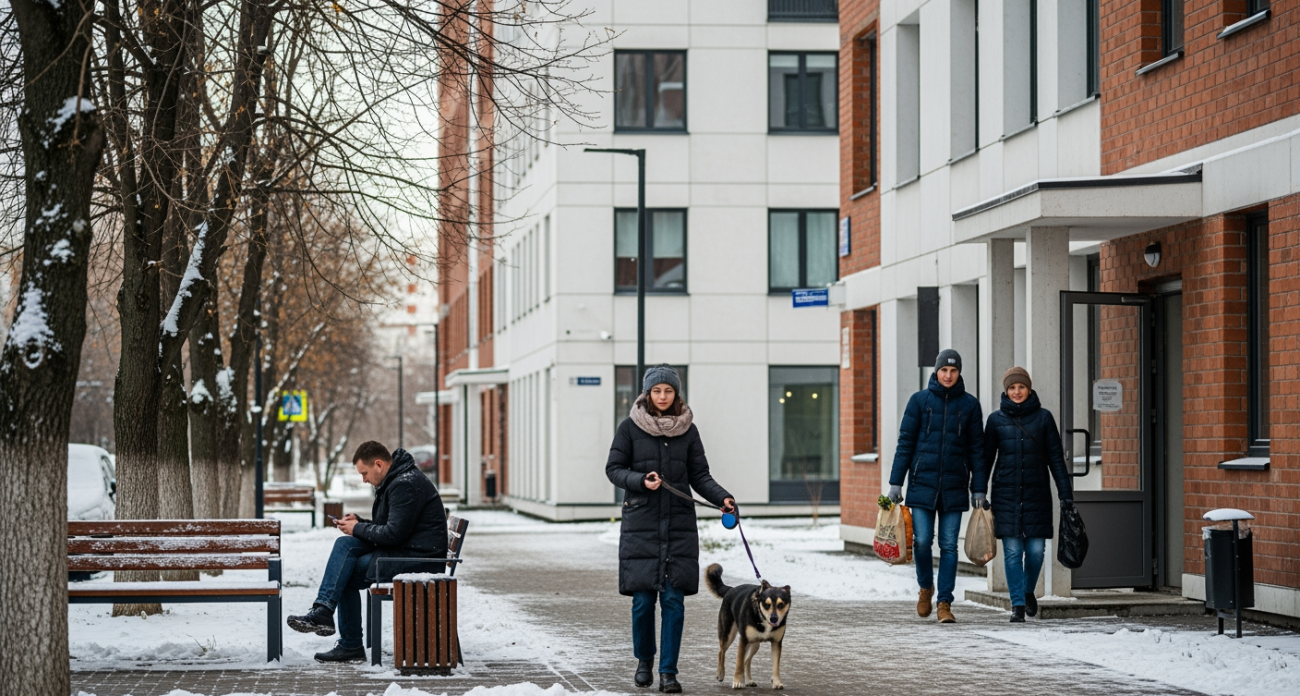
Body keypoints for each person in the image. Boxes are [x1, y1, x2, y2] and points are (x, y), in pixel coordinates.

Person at [607, 364, 735, 693]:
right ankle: (644, 661)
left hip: (678, 525)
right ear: (647, 394)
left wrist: (723, 498)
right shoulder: (629, 429)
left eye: (668, 391)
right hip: (642, 526)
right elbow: (614, 469)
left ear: (676, 394)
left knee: (674, 603)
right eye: (656, 391)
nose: (662, 396)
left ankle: (668, 672)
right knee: (642, 603)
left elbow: (700, 476)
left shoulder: (688, 431)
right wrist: (640, 481)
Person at [287, 441, 448, 661]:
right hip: (406, 550)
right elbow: (393, 527)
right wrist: (359, 523)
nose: (364, 480)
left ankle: (348, 641)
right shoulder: (397, 480)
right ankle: (323, 610)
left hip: (418, 559)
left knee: (346, 574)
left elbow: (393, 535)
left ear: (379, 464)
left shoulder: (404, 485)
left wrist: (358, 528)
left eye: (364, 473)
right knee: (344, 545)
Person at [888, 349, 986, 624]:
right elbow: (905, 443)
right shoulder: (919, 401)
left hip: (954, 485)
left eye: (953, 371)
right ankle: (925, 588)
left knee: (949, 546)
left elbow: (977, 449)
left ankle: (944, 602)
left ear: (959, 373)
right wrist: (896, 482)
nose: (948, 375)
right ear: (936, 371)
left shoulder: (969, 405)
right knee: (921, 542)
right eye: (944, 370)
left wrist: (979, 487)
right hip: (922, 484)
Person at [982, 367, 1074, 622]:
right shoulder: (995, 421)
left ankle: (1027, 589)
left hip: (1037, 494)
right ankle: (1017, 606)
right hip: (1006, 494)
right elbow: (986, 460)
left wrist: (1065, 493)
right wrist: (978, 490)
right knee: (1012, 552)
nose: (1016, 392)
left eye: (1021, 387)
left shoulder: (1044, 419)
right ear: (1006, 390)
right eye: (1012, 388)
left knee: (1035, 552)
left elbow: (1056, 459)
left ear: (1029, 389)